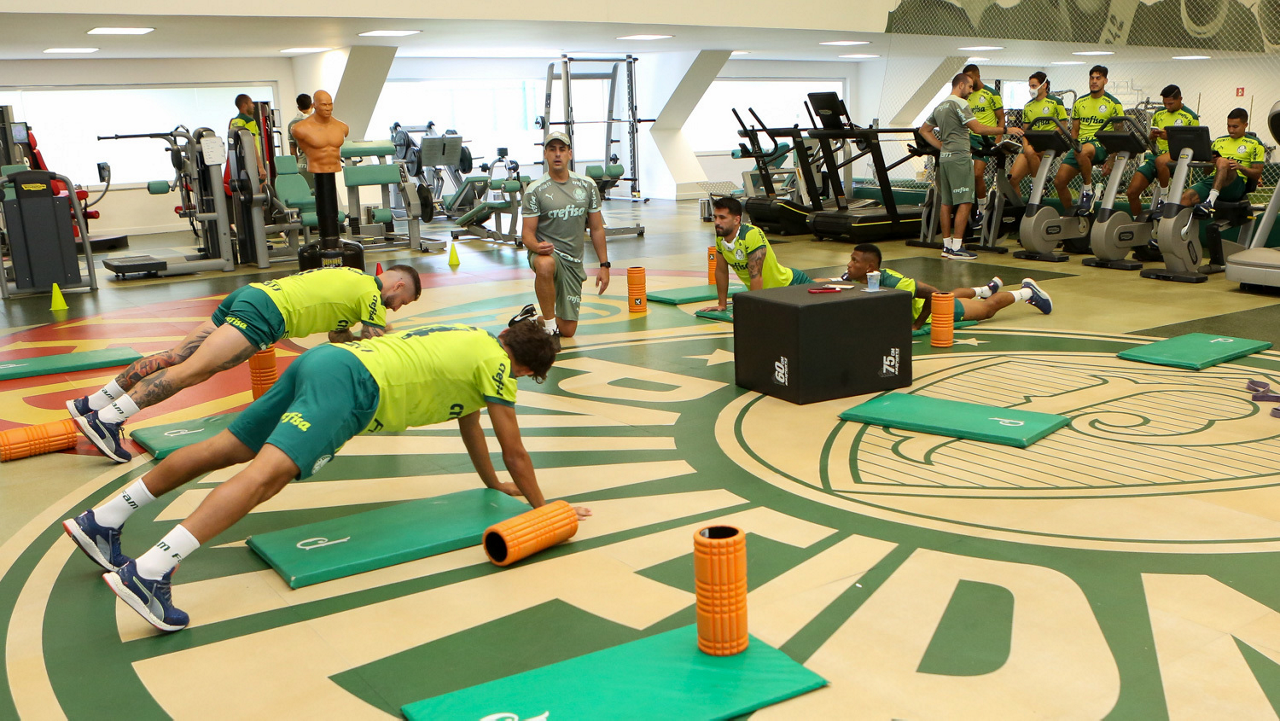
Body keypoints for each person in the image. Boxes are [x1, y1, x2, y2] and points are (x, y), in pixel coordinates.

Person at [63, 314, 587, 633]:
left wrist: (491, 484)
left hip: (325, 361)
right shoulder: (499, 369)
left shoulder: (472, 339)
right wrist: (544, 508)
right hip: (352, 388)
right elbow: (515, 451)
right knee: (266, 477)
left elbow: (470, 424)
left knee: (226, 448)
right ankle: (151, 571)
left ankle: (103, 520)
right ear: (526, 368)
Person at [67, 265, 422, 463]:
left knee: (178, 356)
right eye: (402, 301)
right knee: (194, 370)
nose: (396, 307)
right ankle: (107, 420)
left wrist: (355, 336)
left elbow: (338, 336)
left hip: (254, 295)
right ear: (397, 285)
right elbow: (376, 343)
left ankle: (91, 404)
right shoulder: (372, 294)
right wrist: (395, 340)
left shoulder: (352, 279)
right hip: (266, 314)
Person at [919, 73, 1024, 261]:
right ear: (960, 85)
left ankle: (947, 246)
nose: (970, 91)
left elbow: (924, 130)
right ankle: (957, 247)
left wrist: (942, 147)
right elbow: (978, 128)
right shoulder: (960, 104)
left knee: (946, 203)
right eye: (969, 87)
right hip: (959, 158)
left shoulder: (940, 106)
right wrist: (1006, 130)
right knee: (966, 201)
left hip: (945, 159)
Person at [522, 131, 610, 345]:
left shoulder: (587, 186)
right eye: (552, 149)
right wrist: (537, 247)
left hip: (573, 261)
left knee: (568, 330)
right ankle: (550, 328)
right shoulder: (535, 190)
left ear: (570, 154)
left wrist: (604, 265)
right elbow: (526, 234)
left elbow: (596, 228)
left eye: (562, 149)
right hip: (547, 254)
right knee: (545, 265)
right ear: (545, 154)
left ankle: (530, 319)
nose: (557, 154)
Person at [837, 244, 1053, 328]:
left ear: (870, 267)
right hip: (928, 303)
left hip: (936, 312)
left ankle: (1027, 292)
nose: (849, 264)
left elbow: (933, 293)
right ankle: (985, 290)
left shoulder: (894, 282)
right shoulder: (852, 278)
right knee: (950, 294)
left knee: (986, 309)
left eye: (855, 261)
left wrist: (918, 324)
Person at [699, 196, 811, 313]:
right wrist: (722, 304)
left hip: (790, 284)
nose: (717, 222)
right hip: (768, 294)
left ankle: (823, 280)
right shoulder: (721, 237)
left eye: (722, 218)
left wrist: (752, 310)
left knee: (821, 297)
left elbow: (756, 276)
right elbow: (721, 271)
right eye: (715, 217)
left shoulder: (751, 235)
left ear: (736, 220)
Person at [1054, 65, 1123, 216]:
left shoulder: (1113, 103)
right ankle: (1072, 214)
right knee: (1059, 182)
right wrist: (1073, 146)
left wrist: (1112, 158)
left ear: (1105, 81)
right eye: (1092, 78)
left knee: (1082, 151)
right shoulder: (1080, 102)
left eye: (1098, 78)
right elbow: (1075, 131)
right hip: (1081, 146)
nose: (1094, 81)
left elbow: (1119, 134)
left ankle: (1088, 191)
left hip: (1100, 145)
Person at [1125, 84, 1198, 220]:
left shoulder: (1190, 116)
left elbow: (1193, 143)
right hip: (1157, 155)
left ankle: (1164, 198)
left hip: (1178, 155)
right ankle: (1138, 222)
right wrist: (1152, 136)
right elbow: (1150, 141)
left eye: (1170, 103)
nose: (1167, 107)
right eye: (1165, 104)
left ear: (1180, 99)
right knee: (1131, 192)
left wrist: (1170, 137)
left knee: (1161, 161)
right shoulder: (1159, 113)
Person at [1183, 107, 1264, 216]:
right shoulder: (1219, 141)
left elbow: (1257, 174)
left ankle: (1210, 202)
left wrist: (1240, 167)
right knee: (1185, 199)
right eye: (1228, 126)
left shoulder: (1255, 143)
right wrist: (1211, 163)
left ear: (1245, 125)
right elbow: (1207, 172)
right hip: (1213, 180)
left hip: (1235, 184)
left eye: (1235, 127)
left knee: (1223, 161)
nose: (1231, 130)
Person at [1008, 72, 1069, 195]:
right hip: (1032, 145)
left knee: (1031, 152)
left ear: (1044, 85)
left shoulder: (1055, 102)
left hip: (1049, 144)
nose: (1031, 89)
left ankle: (1037, 186)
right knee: (1012, 179)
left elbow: (1063, 126)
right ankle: (1020, 204)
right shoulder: (1028, 106)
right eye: (1030, 86)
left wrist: (1049, 137)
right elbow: (1026, 131)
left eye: (1034, 86)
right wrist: (1025, 146)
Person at [963, 64, 1005, 230]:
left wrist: (997, 141)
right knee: (962, 174)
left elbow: (1001, 118)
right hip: (968, 137)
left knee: (977, 174)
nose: (968, 81)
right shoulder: (966, 95)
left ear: (977, 76)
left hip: (985, 138)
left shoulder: (991, 94)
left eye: (970, 77)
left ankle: (982, 210)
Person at [229, 93, 267, 181]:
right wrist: (260, 167)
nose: (253, 105)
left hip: (240, 163)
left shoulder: (234, 121)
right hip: (252, 162)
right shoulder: (249, 121)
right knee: (261, 186)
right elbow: (252, 144)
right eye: (251, 103)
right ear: (244, 105)